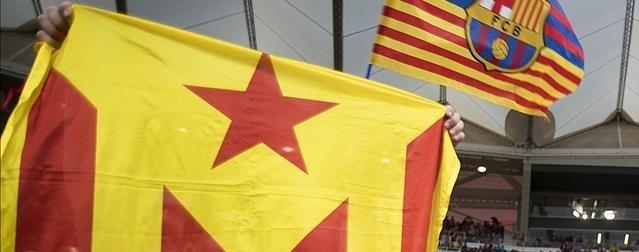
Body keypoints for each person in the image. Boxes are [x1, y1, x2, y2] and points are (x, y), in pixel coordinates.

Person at [36, 2, 468, 144]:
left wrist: (432, 135)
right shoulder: (195, 35)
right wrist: (78, 48)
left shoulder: (352, 90)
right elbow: (135, 107)